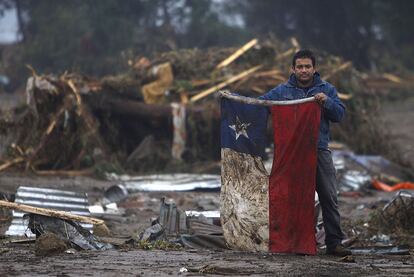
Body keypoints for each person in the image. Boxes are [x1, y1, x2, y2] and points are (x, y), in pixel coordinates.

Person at [260, 49, 351, 256]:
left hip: (318, 150)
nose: (303, 70)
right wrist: (233, 101)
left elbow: (339, 114)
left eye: (307, 67)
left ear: (314, 68)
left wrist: (326, 102)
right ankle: (296, 242)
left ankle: (334, 243)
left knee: (328, 197)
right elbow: (259, 105)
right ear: (292, 69)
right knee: (293, 198)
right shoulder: (281, 92)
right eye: (299, 67)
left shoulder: (326, 89)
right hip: (292, 154)